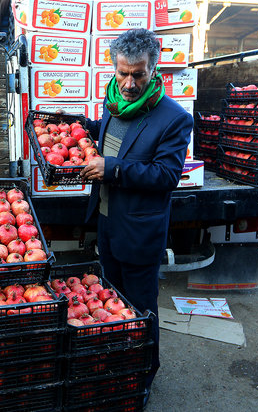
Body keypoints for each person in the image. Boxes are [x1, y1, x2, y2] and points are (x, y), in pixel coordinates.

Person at [79, 28, 193, 407]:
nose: (129, 83)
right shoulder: (113, 104)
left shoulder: (173, 118)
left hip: (139, 232)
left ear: (153, 69)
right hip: (109, 223)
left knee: (141, 309)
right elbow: (116, 142)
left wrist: (111, 169)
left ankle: (144, 376)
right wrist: (79, 127)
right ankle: (118, 365)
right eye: (123, 73)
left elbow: (166, 176)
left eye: (138, 74)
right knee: (111, 301)